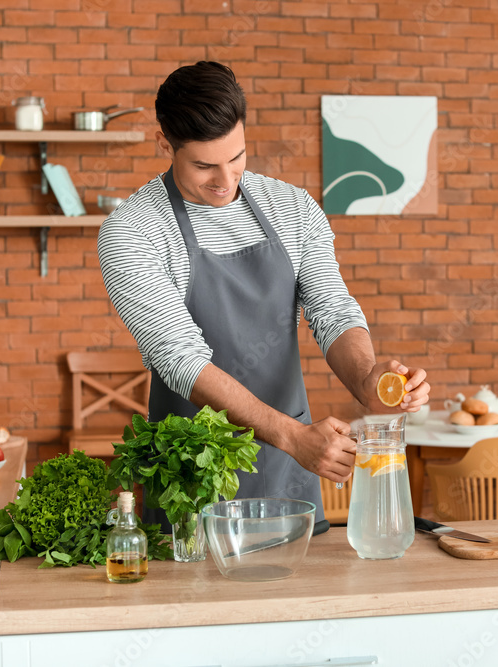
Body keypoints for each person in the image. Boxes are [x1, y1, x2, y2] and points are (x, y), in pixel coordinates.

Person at [97, 61, 429, 531]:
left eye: (237, 157)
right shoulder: (133, 231)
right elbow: (180, 360)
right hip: (190, 479)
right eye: (204, 165)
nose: (226, 180)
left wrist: (369, 380)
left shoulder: (292, 207)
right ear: (164, 144)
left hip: (287, 476)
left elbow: (332, 311)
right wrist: (292, 436)